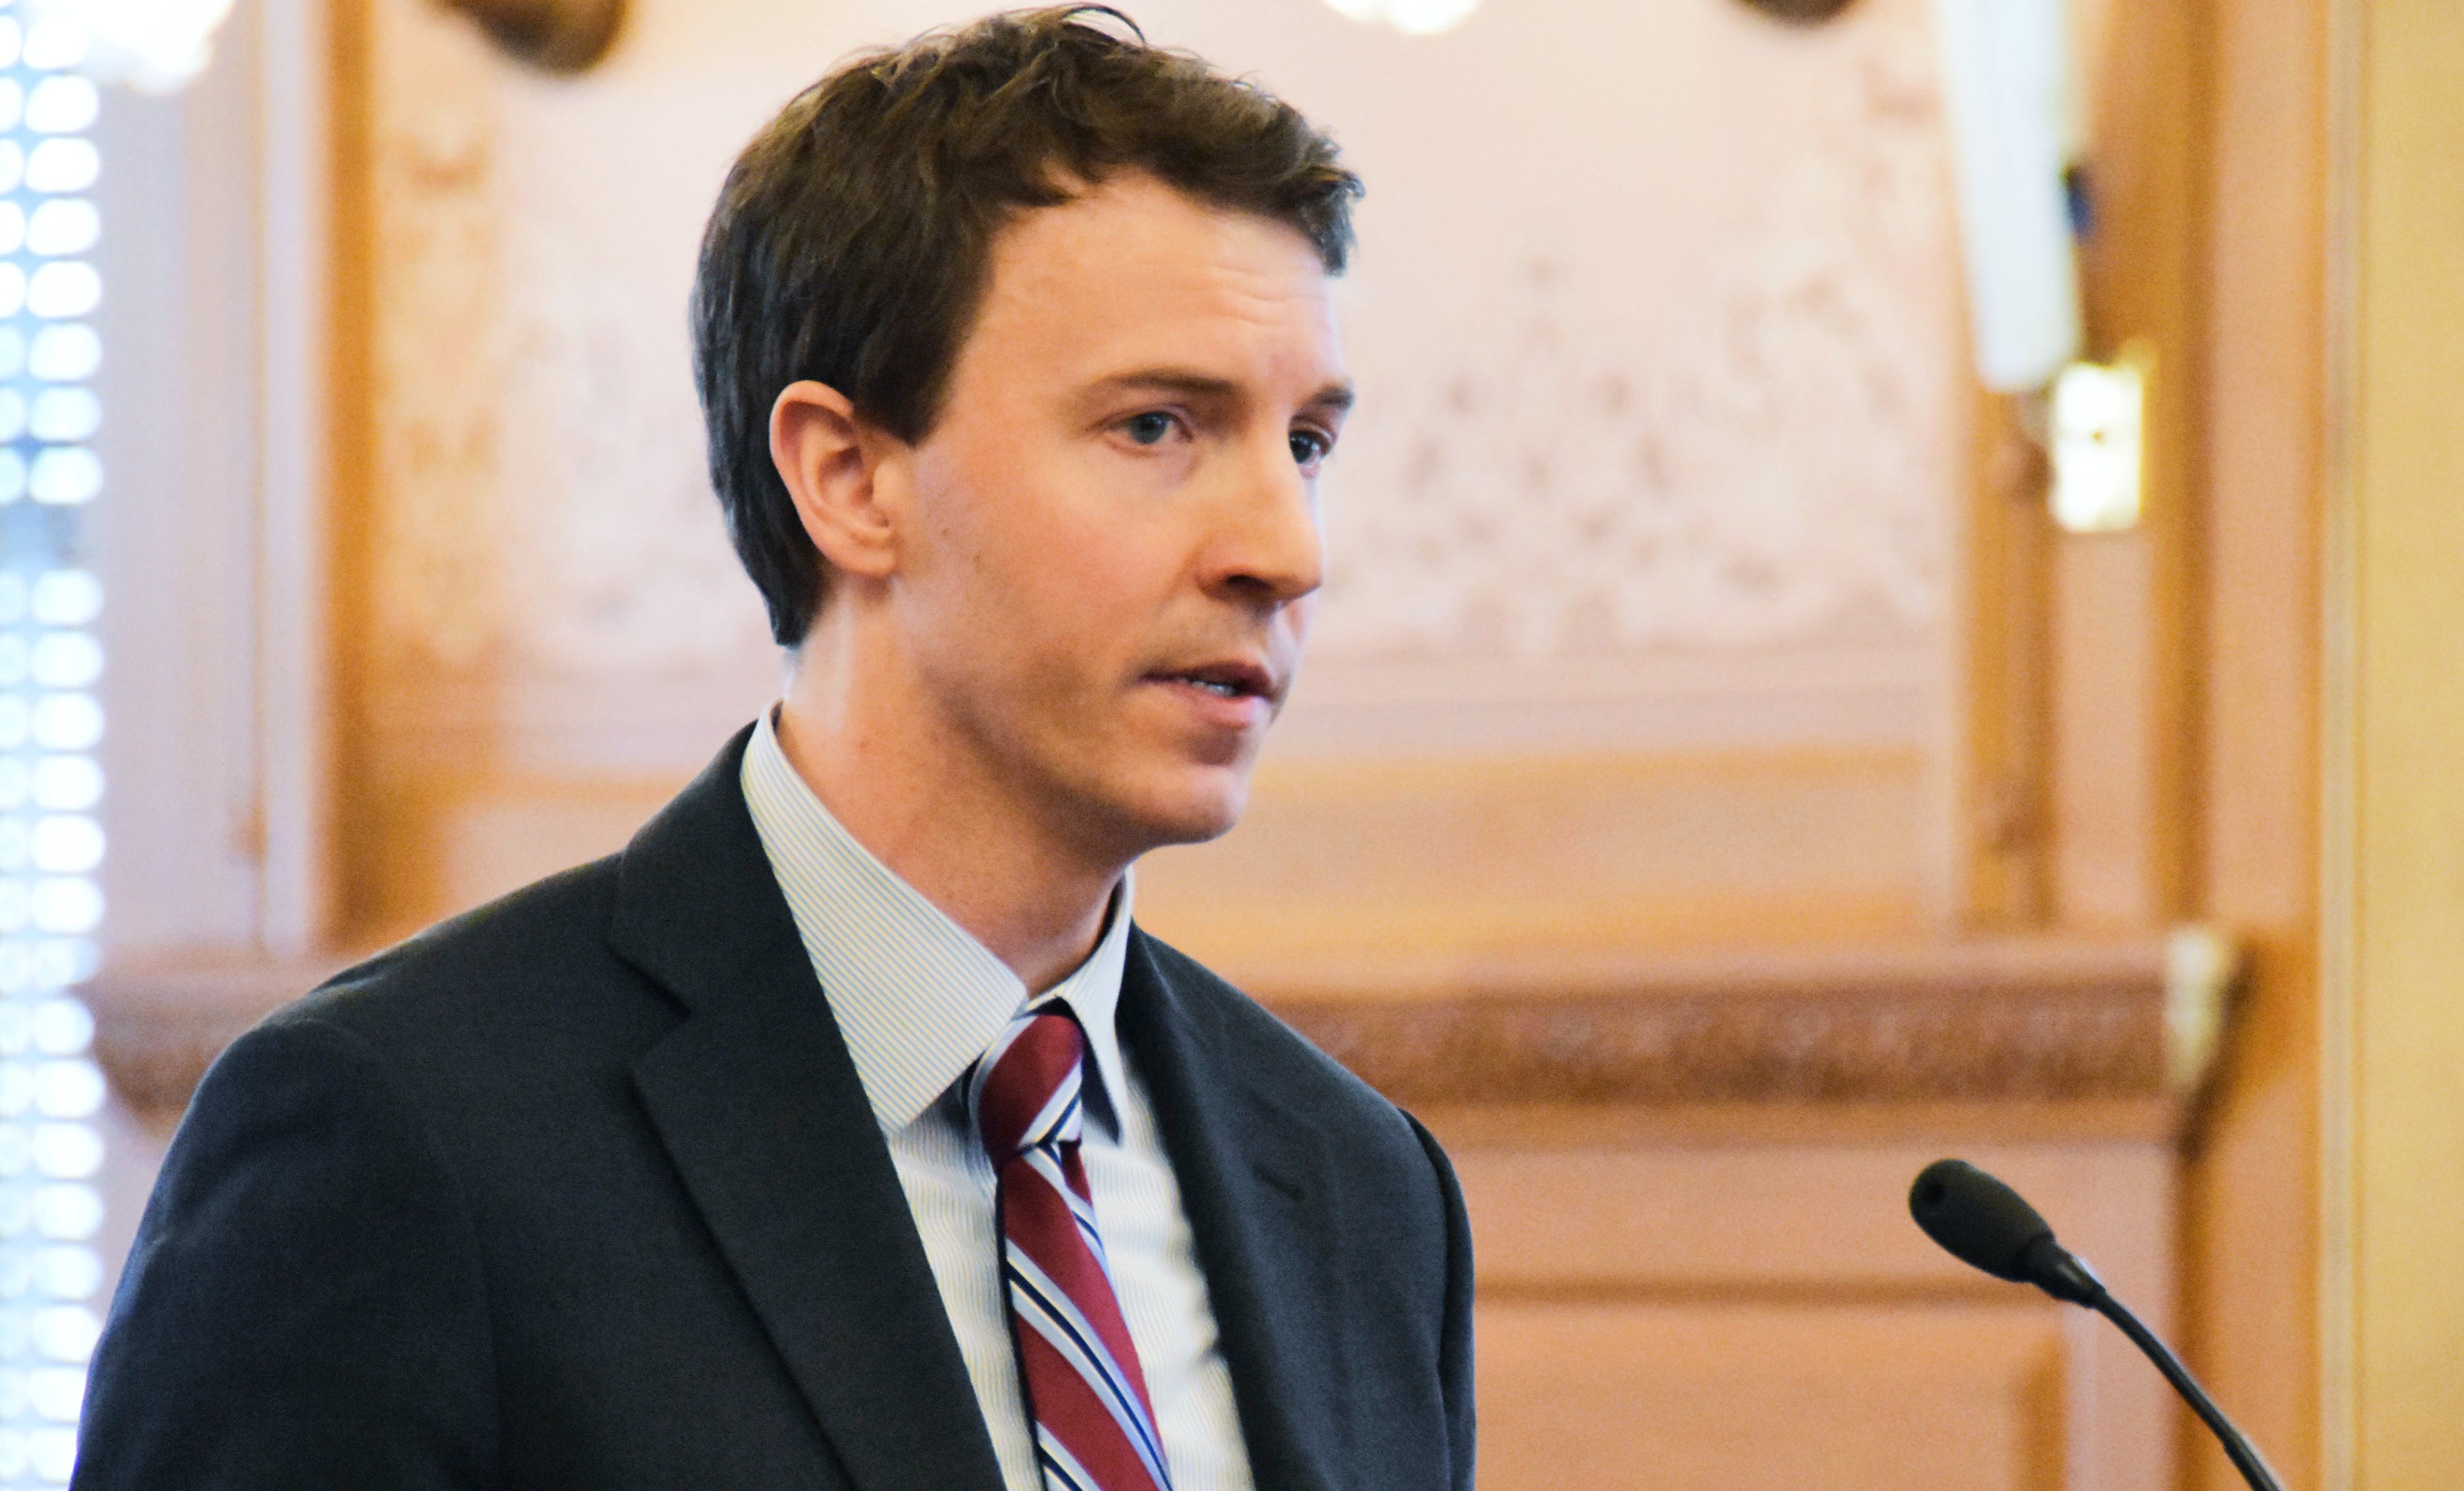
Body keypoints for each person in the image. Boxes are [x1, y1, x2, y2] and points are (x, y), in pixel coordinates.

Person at [70, 10, 1475, 1488]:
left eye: (1305, 442)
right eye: (1156, 428)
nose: (1284, 548)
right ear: (851, 477)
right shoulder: (401, 1138)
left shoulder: (1360, 1187)